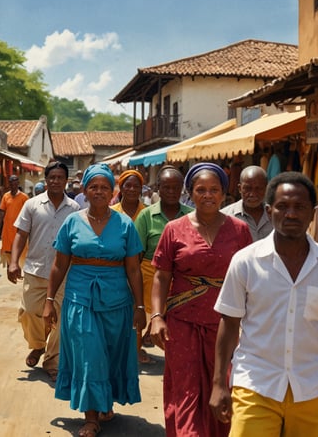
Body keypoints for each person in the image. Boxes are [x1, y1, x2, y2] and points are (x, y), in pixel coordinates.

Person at [210, 172, 318, 436]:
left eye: (300, 207)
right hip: (255, 384)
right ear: (269, 210)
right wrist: (219, 383)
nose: (291, 214)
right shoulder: (246, 262)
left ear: (313, 212)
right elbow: (229, 324)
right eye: (282, 206)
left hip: (312, 388)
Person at [150, 162, 252, 437]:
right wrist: (157, 317)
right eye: (201, 190)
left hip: (226, 323)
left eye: (214, 190)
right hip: (182, 321)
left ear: (224, 194)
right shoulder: (173, 229)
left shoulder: (240, 230)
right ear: (190, 194)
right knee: (186, 388)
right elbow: (161, 276)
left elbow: (250, 278)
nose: (208, 195)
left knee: (225, 385)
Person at [43, 163, 144, 437]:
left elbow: (133, 269)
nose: (99, 191)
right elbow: (58, 265)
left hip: (117, 301)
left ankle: (103, 402)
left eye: (105, 187)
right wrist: (49, 300)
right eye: (93, 187)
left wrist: (140, 306)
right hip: (80, 298)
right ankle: (90, 417)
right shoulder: (72, 222)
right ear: (84, 190)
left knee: (109, 354)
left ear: (113, 191)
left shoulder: (125, 224)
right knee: (89, 355)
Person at [8, 162, 79, 382]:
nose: (56, 181)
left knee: (62, 320)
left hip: (65, 273)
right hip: (35, 269)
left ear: (66, 180)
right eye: (52, 177)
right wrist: (13, 262)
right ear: (46, 179)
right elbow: (21, 234)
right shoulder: (32, 205)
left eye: (60, 177)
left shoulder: (75, 209)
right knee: (28, 313)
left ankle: (52, 361)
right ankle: (38, 345)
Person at [134, 166, 193, 364]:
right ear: (158, 188)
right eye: (166, 187)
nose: (171, 192)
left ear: (182, 189)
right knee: (141, 313)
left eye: (175, 188)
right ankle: (136, 349)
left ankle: (178, 353)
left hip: (181, 276)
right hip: (150, 272)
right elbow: (137, 253)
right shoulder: (146, 216)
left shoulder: (191, 216)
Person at [110, 169, 150, 363]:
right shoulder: (112, 212)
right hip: (116, 268)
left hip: (139, 269)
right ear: (121, 188)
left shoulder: (147, 212)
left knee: (138, 308)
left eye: (136, 186)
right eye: (128, 185)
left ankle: (136, 347)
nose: (132, 189)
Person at [221, 165, 273, 242]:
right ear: (239, 188)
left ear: (266, 189)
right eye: (248, 188)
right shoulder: (224, 217)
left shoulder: (275, 216)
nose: (252, 194)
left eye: (258, 189)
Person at [0, 175, 29, 267]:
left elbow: (28, 213)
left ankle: (18, 269)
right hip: (7, 228)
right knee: (7, 250)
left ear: (18, 183)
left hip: (19, 229)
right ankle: (9, 269)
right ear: (9, 184)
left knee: (19, 250)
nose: (13, 185)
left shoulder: (24, 197)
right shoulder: (6, 196)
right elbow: (2, 211)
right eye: (11, 183)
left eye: (15, 183)